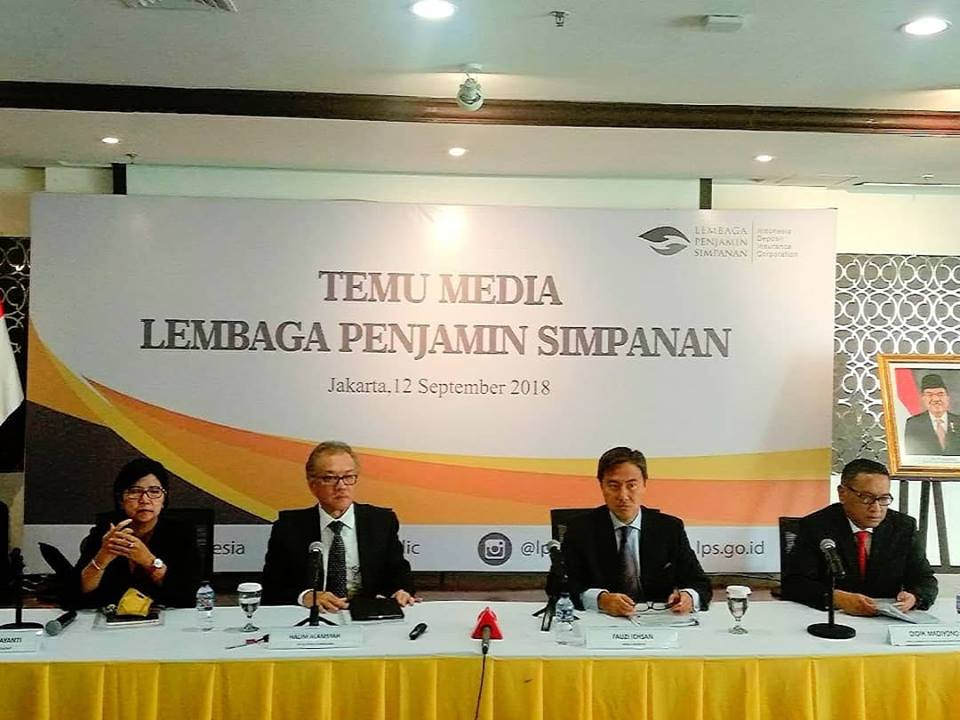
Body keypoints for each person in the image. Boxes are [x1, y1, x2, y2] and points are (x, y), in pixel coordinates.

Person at [262, 440, 415, 610]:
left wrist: (401, 590)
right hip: (316, 614)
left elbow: (400, 573)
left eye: (348, 477)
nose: (341, 486)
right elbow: (271, 587)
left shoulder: (381, 522)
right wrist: (305, 596)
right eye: (330, 478)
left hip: (367, 614)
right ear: (312, 485)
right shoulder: (289, 527)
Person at [561, 446, 711, 617]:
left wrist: (689, 597)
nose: (623, 495)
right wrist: (600, 600)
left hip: (657, 621)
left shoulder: (670, 528)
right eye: (613, 485)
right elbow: (559, 586)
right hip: (603, 620)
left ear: (644, 485)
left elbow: (700, 583)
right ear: (601, 486)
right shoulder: (580, 529)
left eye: (631, 485)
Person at [782, 458, 937, 615]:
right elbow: (794, 583)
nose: (876, 508)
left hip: (885, 618)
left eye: (883, 499)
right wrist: (836, 598)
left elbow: (925, 579)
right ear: (842, 494)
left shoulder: (903, 527)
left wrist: (915, 597)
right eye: (866, 498)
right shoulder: (816, 526)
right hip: (834, 616)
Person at [75, 457, 202, 608]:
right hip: (113, 618)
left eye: (154, 491)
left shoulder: (181, 532)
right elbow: (75, 595)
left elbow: (189, 596)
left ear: (164, 500)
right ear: (121, 500)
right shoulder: (106, 531)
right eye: (135, 491)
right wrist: (102, 558)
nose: (145, 499)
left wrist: (149, 561)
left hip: (166, 617)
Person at [903, 373, 960, 455]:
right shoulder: (913, 424)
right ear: (923, 398)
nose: (936, 399)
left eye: (940, 394)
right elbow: (912, 455)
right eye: (929, 394)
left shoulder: (958, 421)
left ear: (948, 397)